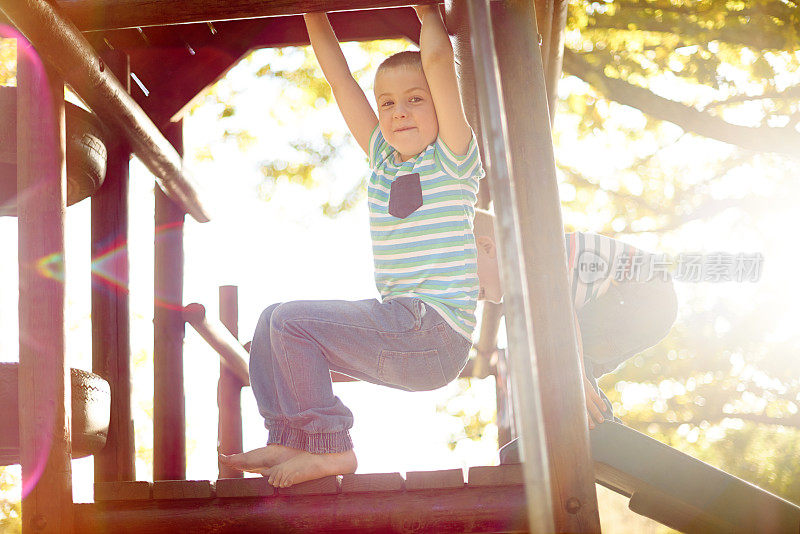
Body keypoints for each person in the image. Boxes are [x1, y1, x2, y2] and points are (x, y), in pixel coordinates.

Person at [220, 6, 485, 488]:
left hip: (435, 334)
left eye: (415, 99)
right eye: (387, 104)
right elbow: (341, 82)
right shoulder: (382, 159)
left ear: (438, 107)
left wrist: (428, 15)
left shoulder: (453, 157)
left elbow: (442, 66)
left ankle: (330, 447)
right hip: (402, 327)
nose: (398, 111)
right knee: (271, 320)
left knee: (291, 320)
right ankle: (290, 435)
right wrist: (313, 14)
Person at [472, 208, 678, 431]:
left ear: (486, 247)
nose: (465, 294)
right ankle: (598, 425)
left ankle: (597, 427)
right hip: (650, 302)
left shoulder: (528, 261)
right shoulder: (526, 281)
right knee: (573, 364)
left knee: (563, 361)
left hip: (642, 288)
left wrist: (574, 375)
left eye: (464, 281)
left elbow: (564, 320)